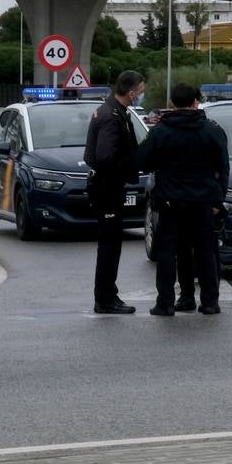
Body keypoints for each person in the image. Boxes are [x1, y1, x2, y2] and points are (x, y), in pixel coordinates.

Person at [136, 82, 229, 316]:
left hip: (170, 202)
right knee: (206, 251)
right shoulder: (212, 130)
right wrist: (219, 200)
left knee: (169, 252)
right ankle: (209, 302)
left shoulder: (160, 132)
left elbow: (142, 162)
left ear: (172, 104)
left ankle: (167, 302)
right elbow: (223, 168)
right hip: (204, 202)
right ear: (196, 101)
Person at [84, 70, 147, 314]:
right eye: (140, 91)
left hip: (107, 185)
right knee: (110, 245)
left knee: (111, 244)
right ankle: (105, 299)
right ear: (131, 92)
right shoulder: (111, 116)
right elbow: (105, 157)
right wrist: (132, 164)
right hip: (107, 187)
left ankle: (109, 294)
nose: (141, 95)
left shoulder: (111, 110)